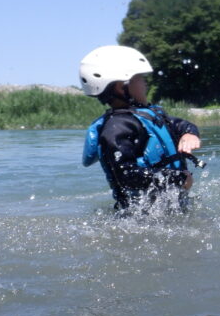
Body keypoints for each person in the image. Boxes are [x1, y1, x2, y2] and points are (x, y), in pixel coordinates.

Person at [79, 45, 203, 212]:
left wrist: (189, 133)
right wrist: (177, 179)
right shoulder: (116, 129)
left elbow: (178, 124)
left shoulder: (148, 115)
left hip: (166, 207)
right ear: (120, 86)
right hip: (139, 216)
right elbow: (126, 175)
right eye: (140, 79)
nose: (145, 84)